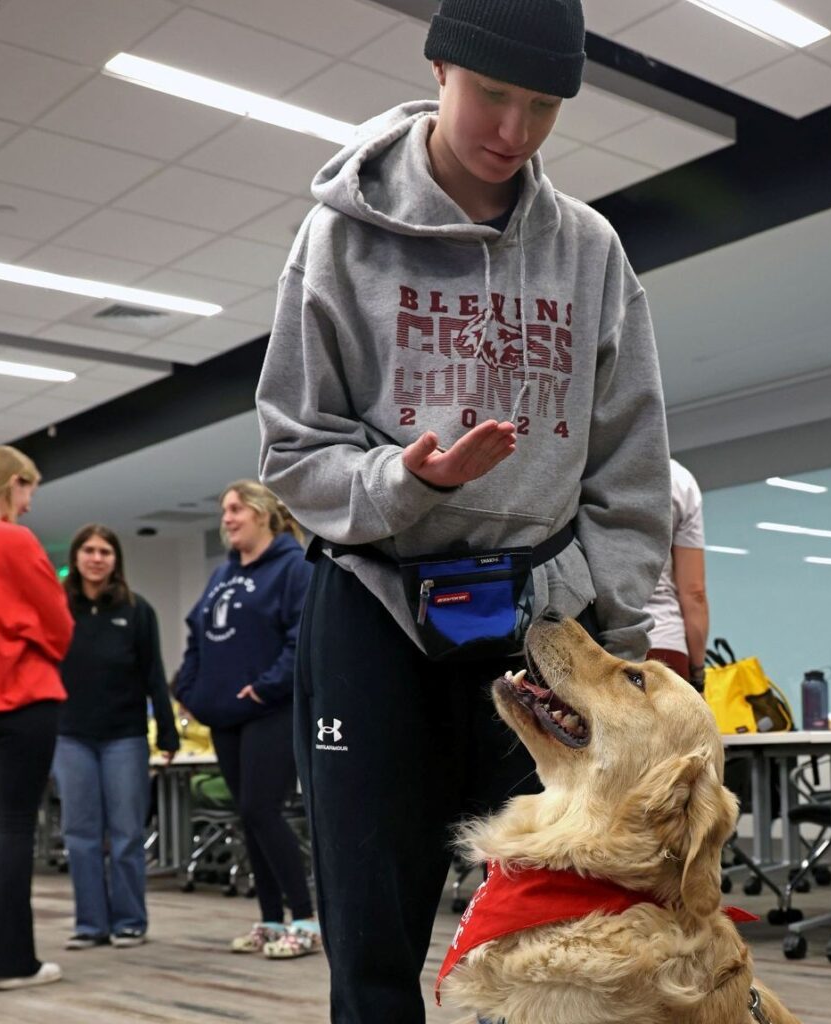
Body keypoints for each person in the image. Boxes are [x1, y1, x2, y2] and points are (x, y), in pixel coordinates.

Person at [255, 1, 672, 1019]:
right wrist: (408, 481)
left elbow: (631, 468)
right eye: (493, 94)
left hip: (539, 631)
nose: (514, 132)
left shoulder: (590, 252)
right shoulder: (337, 238)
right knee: (372, 944)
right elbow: (290, 452)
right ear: (441, 65)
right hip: (373, 609)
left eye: (543, 108)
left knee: (552, 951)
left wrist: (614, 645)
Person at [174, 481, 316, 958]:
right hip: (225, 714)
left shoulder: (293, 567)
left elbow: (302, 639)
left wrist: (265, 686)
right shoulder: (222, 575)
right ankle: (271, 920)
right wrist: (188, 691)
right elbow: (197, 635)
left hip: (270, 709)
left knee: (261, 810)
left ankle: (305, 920)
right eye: (224, 510)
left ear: (262, 514)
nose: (228, 518)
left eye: (236, 509)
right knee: (249, 817)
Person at [52, 524, 179, 951]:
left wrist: (166, 731)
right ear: (76, 558)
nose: (96, 558)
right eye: (88, 550)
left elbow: (154, 676)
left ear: (115, 560)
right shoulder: (57, 608)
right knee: (80, 835)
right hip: (71, 736)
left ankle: (129, 921)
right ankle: (90, 924)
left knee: (126, 833)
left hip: (124, 737)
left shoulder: (136, 609)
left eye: (105, 551)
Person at [0, 445, 74, 991]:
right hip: (22, 699)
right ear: (14, 482)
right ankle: (10, 961)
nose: (29, 506)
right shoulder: (15, 539)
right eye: (29, 491)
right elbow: (59, 625)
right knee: (16, 829)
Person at [645, 459, 709, 691]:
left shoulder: (590, 464)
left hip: (599, 645)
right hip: (664, 645)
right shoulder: (679, 480)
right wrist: (698, 675)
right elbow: (694, 593)